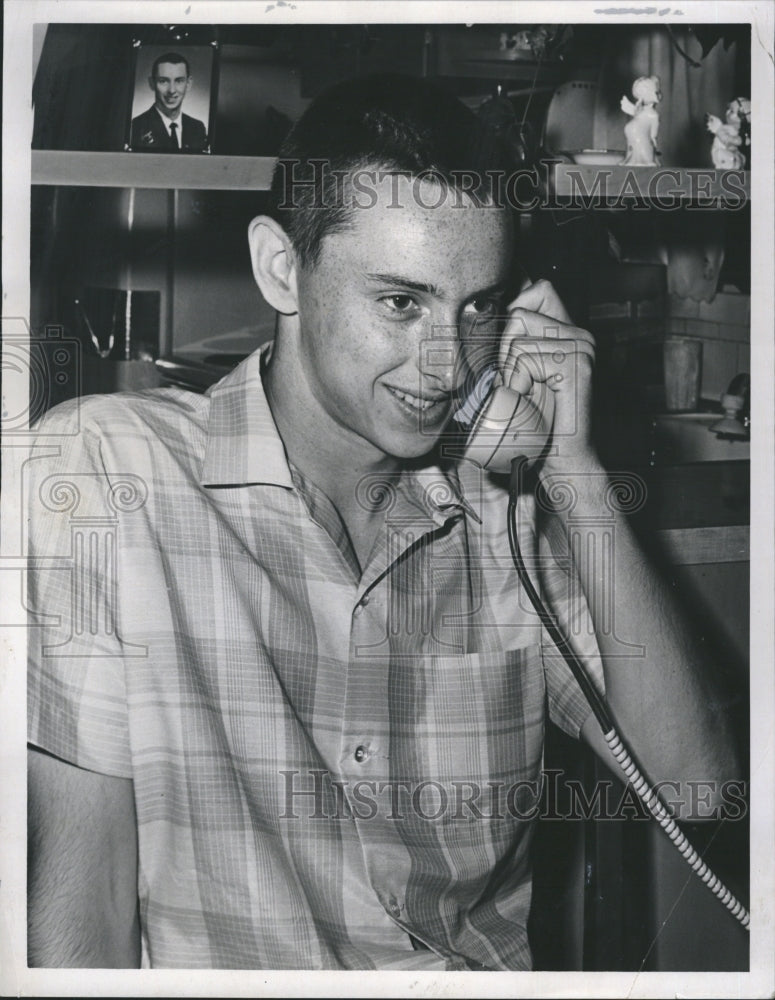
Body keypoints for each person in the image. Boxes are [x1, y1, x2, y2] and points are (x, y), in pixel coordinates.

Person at [27, 74, 740, 970]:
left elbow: (696, 789)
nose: (446, 363)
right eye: (401, 303)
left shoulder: (504, 510)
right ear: (282, 268)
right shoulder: (110, 472)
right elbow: (79, 891)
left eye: (477, 306)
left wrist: (574, 471)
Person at [130, 51, 208, 152]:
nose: (171, 90)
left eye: (179, 81)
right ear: (152, 83)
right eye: (163, 81)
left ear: (188, 84)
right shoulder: (136, 127)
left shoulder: (197, 128)